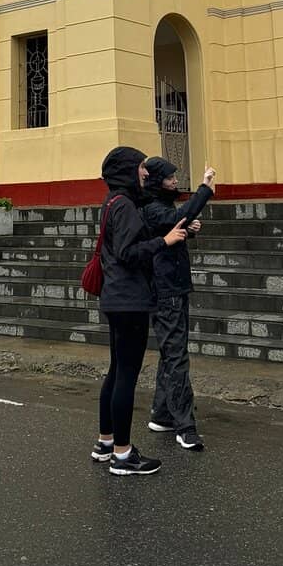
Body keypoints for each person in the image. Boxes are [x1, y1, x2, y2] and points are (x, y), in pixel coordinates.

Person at [92, 146, 188, 476]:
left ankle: (105, 442)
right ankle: (122, 454)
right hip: (129, 299)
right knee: (126, 378)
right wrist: (167, 241)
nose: (145, 173)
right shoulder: (127, 207)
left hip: (114, 298)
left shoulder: (111, 202)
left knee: (116, 371)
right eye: (141, 167)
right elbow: (128, 252)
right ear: (127, 170)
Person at [141, 159, 217, 451]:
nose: (175, 181)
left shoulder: (159, 206)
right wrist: (205, 189)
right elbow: (176, 217)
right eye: (171, 178)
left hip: (172, 286)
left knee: (171, 352)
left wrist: (190, 227)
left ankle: (162, 414)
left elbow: (176, 223)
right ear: (158, 180)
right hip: (166, 290)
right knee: (176, 357)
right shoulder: (152, 206)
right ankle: (185, 426)